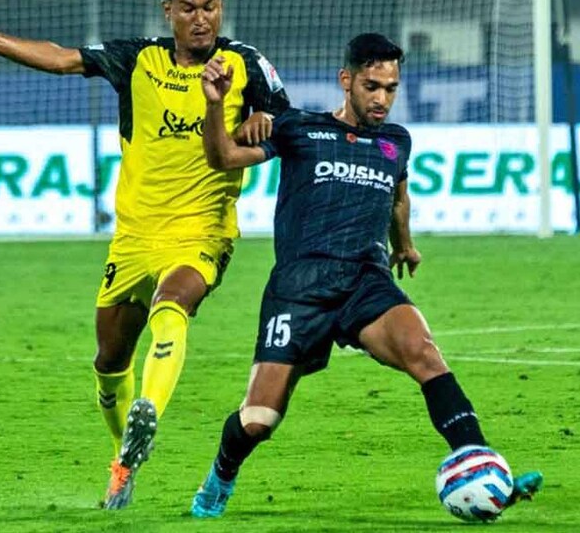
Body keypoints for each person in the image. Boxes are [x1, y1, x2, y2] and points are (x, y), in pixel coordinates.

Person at [0, 0, 290, 510]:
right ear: (168, 11)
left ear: (221, 7)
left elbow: (285, 124)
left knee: (174, 301)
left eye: (211, 7)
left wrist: (262, 123)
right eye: (189, 8)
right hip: (134, 236)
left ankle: (150, 407)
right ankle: (125, 463)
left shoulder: (247, 64)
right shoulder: (137, 58)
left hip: (203, 229)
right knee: (108, 361)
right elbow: (62, 59)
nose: (201, 18)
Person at [189, 33, 542, 519]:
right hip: (300, 288)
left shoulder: (397, 142)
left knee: (425, 354)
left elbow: (398, 196)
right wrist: (214, 106)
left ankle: (481, 466)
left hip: (365, 281)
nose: (382, 98)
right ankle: (219, 479)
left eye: (391, 88)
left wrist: (405, 245)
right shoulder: (298, 128)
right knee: (259, 419)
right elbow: (222, 158)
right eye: (372, 86)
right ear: (347, 80)